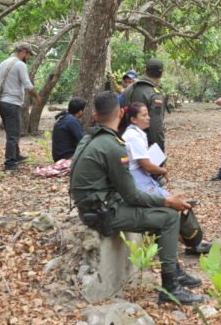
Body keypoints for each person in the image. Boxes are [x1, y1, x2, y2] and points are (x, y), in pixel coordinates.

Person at [69, 91, 203, 304]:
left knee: (161, 211)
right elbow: (131, 195)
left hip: (95, 206)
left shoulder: (90, 138)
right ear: (122, 113)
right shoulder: (114, 146)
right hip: (102, 213)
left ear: (95, 116)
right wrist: (168, 201)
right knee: (168, 216)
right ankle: (170, 287)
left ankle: (174, 271)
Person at [121, 101, 212, 255]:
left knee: (174, 202)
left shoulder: (137, 133)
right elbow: (146, 165)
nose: (148, 118)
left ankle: (193, 241)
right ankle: (194, 242)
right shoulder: (133, 136)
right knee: (174, 204)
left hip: (142, 177)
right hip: (138, 179)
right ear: (133, 119)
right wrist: (162, 170)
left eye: (148, 114)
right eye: (144, 115)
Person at [0, 41, 41, 171]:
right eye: (29, 55)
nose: (29, 58)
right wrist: (37, 97)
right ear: (23, 53)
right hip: (12, 103)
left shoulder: (3, 63)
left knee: (12, 131)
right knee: (13, 135)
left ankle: (16, 155)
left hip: (2, 103)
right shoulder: (20, 65)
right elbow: (27, 85)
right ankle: (10, 163)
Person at [123, 60, 166, 152]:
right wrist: (160, 148)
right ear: (161, 73)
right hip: (145, 141)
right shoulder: (154, 94)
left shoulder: (130, 88)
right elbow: (156, 125)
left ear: (145, 70)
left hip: (126, 137)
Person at [52, 97, 87, 162]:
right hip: (66, 157)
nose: (84, 112)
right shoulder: (72, 121)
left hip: (58, 156)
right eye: (84, 110)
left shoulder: (63, 117)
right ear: (80, 112)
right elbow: (82, 141)